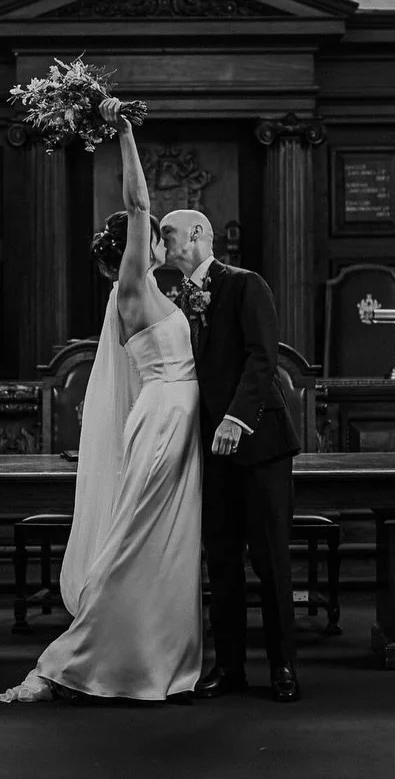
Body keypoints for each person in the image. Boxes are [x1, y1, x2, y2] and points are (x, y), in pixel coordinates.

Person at [0, 97, 203, 704]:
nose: (159, 232)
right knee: (140, 539)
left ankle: (153, 657)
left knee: (167, 546)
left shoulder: (148, 295)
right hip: (167, 418)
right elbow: (139, 203)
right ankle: (78, 659)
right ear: (131, 253)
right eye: (150, 234)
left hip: (174, 416)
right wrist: (125, 130)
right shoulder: (133, 287)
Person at [159, 206, 302, 704]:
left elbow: (263, 357)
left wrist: (236, 419)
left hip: (259, 445)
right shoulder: (175, 296)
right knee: (220, 562)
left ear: (197, 234)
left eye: (167, 234)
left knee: (270, 561)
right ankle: (231, 666)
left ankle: (283, 666)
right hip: (210, 452)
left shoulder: (246, 284)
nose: (161, 244)